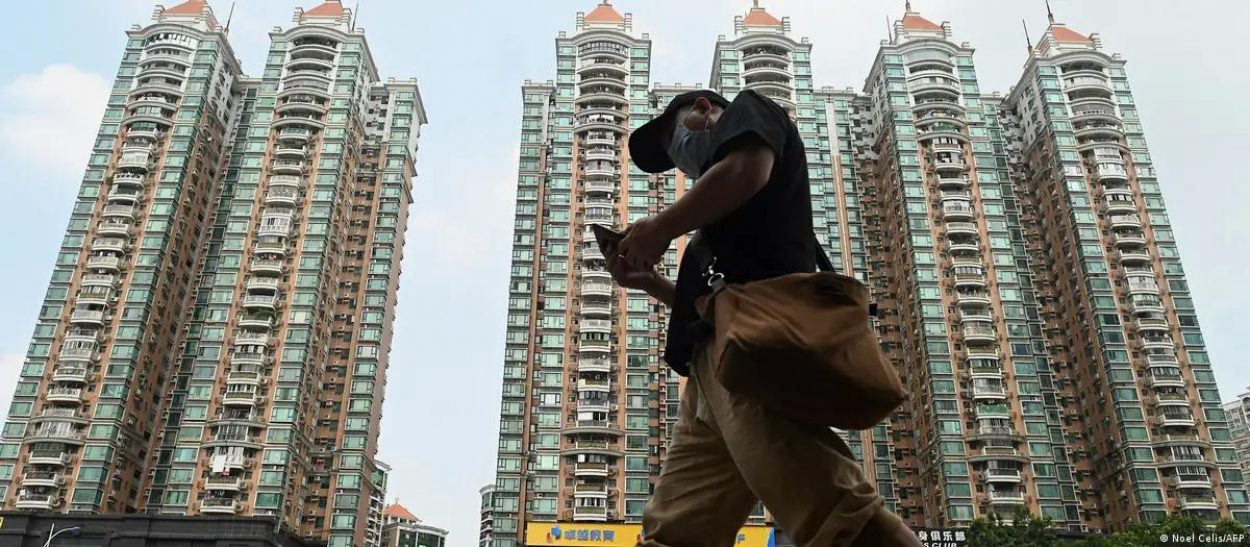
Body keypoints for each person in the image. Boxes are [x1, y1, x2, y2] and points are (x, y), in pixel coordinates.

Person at [605, 89, 921, 547]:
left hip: (758, 356)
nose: (678, 157)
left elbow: (746, 169)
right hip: (710, 376)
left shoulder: (750, 112)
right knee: (674, 533)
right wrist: (647, 282)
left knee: (833, 513)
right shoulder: (715, 222)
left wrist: (659, 228)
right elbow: (715, 308)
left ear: (702, 110)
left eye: (673, 140)